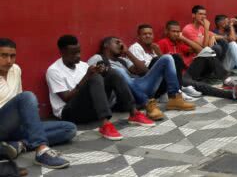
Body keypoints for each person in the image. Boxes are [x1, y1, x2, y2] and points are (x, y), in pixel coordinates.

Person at [46, 35, 153, 142]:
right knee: (94, 77)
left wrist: (103, 72)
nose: (78, 56)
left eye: (79, 52)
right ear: (62, 52)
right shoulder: (54, 70)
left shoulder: (82, 65)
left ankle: (133, 113)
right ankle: (105, 124)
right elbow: (66, 98)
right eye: (73, 53)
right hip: (69, 114)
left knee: (111, 73)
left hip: (90, 110)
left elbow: (93, 86)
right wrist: (87, 77)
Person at [0, 38, 73, 169]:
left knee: (69, 129)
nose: (9, 61)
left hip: (16, 128)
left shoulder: (15, 69)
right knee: (28, 97)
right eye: (4, 56)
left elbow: (18, 98)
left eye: (12, 56)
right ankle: (41, 151)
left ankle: (18, 145)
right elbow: (22, 100)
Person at [88, 37, 195, 121]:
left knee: (167, 58)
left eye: (121, 42)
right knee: (119, 72)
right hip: (121, 95)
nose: (120, 44)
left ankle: (174, 98)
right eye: (117, 42)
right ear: (106, 45)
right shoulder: (97, 58)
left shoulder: (122, 60)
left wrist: (128, 53)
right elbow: (92, 78)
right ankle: (146, 103)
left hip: (137, 87)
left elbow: (144, 71)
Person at [158, 21, 237, 101]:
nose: (176, 34)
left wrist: (183, 39)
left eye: (178, 32)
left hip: (189, 72)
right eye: (173, 31)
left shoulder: (179, 42)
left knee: (207, 52)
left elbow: (200, 50)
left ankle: (226, 79)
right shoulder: (163, 43)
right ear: (167, 32)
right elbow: (160, 63)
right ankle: (232, 94)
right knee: (202, 86)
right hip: (179, 78)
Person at [128, 24, 199, 100]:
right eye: (144, 34)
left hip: (160, 81)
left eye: (150, 34)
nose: (148, 36)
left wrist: (158, 52)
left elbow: (166, 63)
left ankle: (177, 90)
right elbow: (143, 71)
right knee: (158, 60)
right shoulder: (135, 48)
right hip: (147, 83)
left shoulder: (153, 48)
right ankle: (171, 92)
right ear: (138, 37)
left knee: (175, 57)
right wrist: (159, 59)